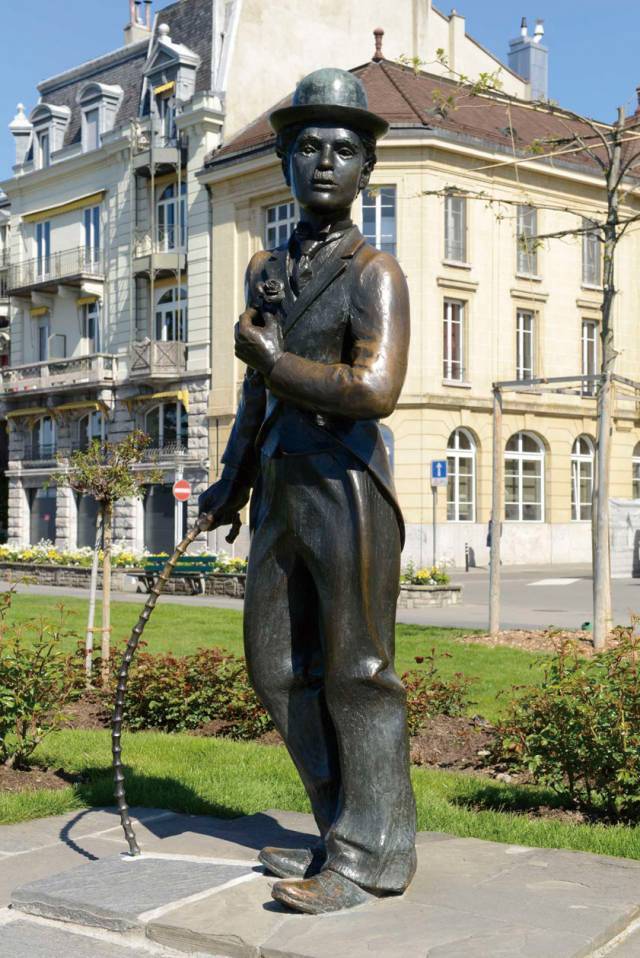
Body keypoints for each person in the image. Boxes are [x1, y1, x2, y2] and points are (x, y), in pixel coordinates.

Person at [199, 67, 416, 914]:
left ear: (366, 169)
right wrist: (230, 479)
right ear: (285, 161)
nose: (325, 162)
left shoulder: (375, 274)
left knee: (359, 671)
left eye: (344, 149)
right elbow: (256, 390)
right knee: (276, 668)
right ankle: (343, 829)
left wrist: (276, 362)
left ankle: (369, 859)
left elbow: (375, 391)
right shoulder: (265, 270)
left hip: (347, 486)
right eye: (308, 147)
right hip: (281, 486)